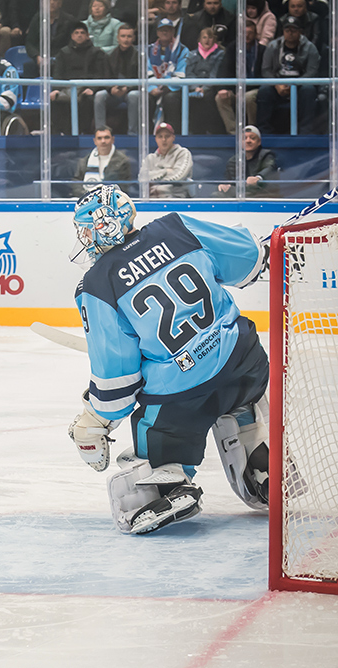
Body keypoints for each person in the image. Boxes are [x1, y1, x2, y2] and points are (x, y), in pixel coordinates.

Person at [68, 183, 270, 535]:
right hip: (246, 360)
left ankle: (169, 484)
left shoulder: (97, 284)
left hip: (184, 393)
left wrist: (93, 419)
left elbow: (117, 382)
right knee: (236, 396)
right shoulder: (176, 227)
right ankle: (258, 458)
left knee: (155, 430)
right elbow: (249, 260)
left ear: (96, 230)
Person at [256, 13, 320, 135]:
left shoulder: (310, 48)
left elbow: (312, 71)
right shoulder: (273, 46)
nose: (290, 33)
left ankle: (305, 132)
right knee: (264, 90)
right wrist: (277, 84)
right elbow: (266, 70)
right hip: (278, 84)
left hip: (300, 85)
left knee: (309, 90)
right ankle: (264, 132)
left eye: (294, 30)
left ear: (300, 31)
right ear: (283, 31)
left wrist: (295, 85)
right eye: (287, 30)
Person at [49, 22, 109, 135]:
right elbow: (58, 74)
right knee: (54, 99)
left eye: (82, 33)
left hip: (86, 88)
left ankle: (83, 132)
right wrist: (56, 89)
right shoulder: (63, 53)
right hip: (66, 88)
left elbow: (100, 74)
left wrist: (92, 88)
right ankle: (60, 133)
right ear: (72, 36)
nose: (79, 35)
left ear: (87, 36)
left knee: (87, 99)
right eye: (76, 33)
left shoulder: (97, 53)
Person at [214, 19, 264, 134]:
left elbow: (263, 74)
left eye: (250, 33)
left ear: (256, 34)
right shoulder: (232, 48)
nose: (247, 36)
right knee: (220, 98)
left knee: (248, 97)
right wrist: (226, 89)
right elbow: (224, 70)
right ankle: (234, 133)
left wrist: (244, 90)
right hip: (235, 88)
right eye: (244, 33)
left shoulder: (262, 50)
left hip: (255, 88)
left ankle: (251, 132)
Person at [94, 23, 140, 134]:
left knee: (134, 96)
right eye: (123, 36)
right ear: (118, 38)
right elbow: (105, 77)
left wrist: (127, 89)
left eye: (129, 36)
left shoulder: (139, 56)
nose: (126, 39)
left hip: (131, 91)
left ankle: (132, 133)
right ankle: (100, 132)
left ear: (133, 38)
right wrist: (111, 89)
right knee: (99, 96)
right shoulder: (109, 55)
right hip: (114, 92)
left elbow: (141, 78)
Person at [147, 17, 189, 135]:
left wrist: (166, 87)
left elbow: (181, 74)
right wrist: (152, 89)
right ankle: (149, 135)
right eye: (162, 30)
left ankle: (174, 134)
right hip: (154, 88)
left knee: (170, 99)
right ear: (157, 32)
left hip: (173, 89)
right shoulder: (149, 49)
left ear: (173, 32)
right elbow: (147, 71)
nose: (164, 32)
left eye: (168, 30)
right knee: (145, 100)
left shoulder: (182, 50)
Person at [215, 125, 276, 197]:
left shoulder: (266, 155)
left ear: (259, 141)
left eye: (252, 138)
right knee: (217, 195)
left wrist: (258, 178)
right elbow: (229, 180)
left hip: (261, 193)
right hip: (239, 192)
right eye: (244, 138)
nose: (248, 141)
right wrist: (224, 185)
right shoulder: (234, 160)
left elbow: (269, 168)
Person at [184, 26, 225, 134]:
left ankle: (211, 131)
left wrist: (204, 88)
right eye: (204, 37)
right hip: (194, 87)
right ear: (199, 39)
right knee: (190, 99)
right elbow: (189, 73)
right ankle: (194, 131)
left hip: (211, 87)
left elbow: (215, 73)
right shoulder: (192, 54)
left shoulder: (220, 54)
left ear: (214, 39)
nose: (207, 40)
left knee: (208, 98)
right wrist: (196, 87)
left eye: (210, 38)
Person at [70, 126, 131, 196]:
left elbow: (124, 186)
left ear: (113, 140)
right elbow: (76, 182)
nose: (103, 141)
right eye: (99, 138)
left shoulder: (123, 161)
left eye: (106, 137)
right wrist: (87, 196)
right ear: (95, 141)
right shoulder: (85, 161)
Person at [25, 0, 78, 76]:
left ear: (60, 4)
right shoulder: (37, 18)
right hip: (41, 56)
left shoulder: (69, 20)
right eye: (49, 1)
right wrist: (37, 56)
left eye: (55, 1)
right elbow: (30, 42)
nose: (52, 3)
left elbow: (72, 42)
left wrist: (60, 56)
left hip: (62, 56)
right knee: (28, 66)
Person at [143, 121, 193, 197]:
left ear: (173, 138)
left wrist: (155, 178)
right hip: (153, 200)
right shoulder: (150, 158)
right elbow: (142, 178)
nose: (164, 139)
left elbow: (179, 176)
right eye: (160, 136)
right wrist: (166, 171)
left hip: (177, 200)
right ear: (156, 139)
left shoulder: (183, 153)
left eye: (167, 136)